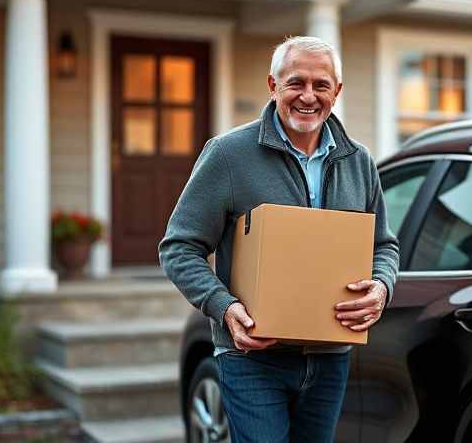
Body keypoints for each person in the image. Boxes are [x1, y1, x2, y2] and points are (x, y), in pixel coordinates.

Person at [159, 36, 399, 443]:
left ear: (336, 92)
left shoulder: (359, 161)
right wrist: (224, 308)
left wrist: (381, 286)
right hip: (253, 356)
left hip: (330, 357)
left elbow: (384, 246)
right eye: (296, 83)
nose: (308, 96)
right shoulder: (228, 155)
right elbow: (179, 247)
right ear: (273, 86)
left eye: (321, 85)